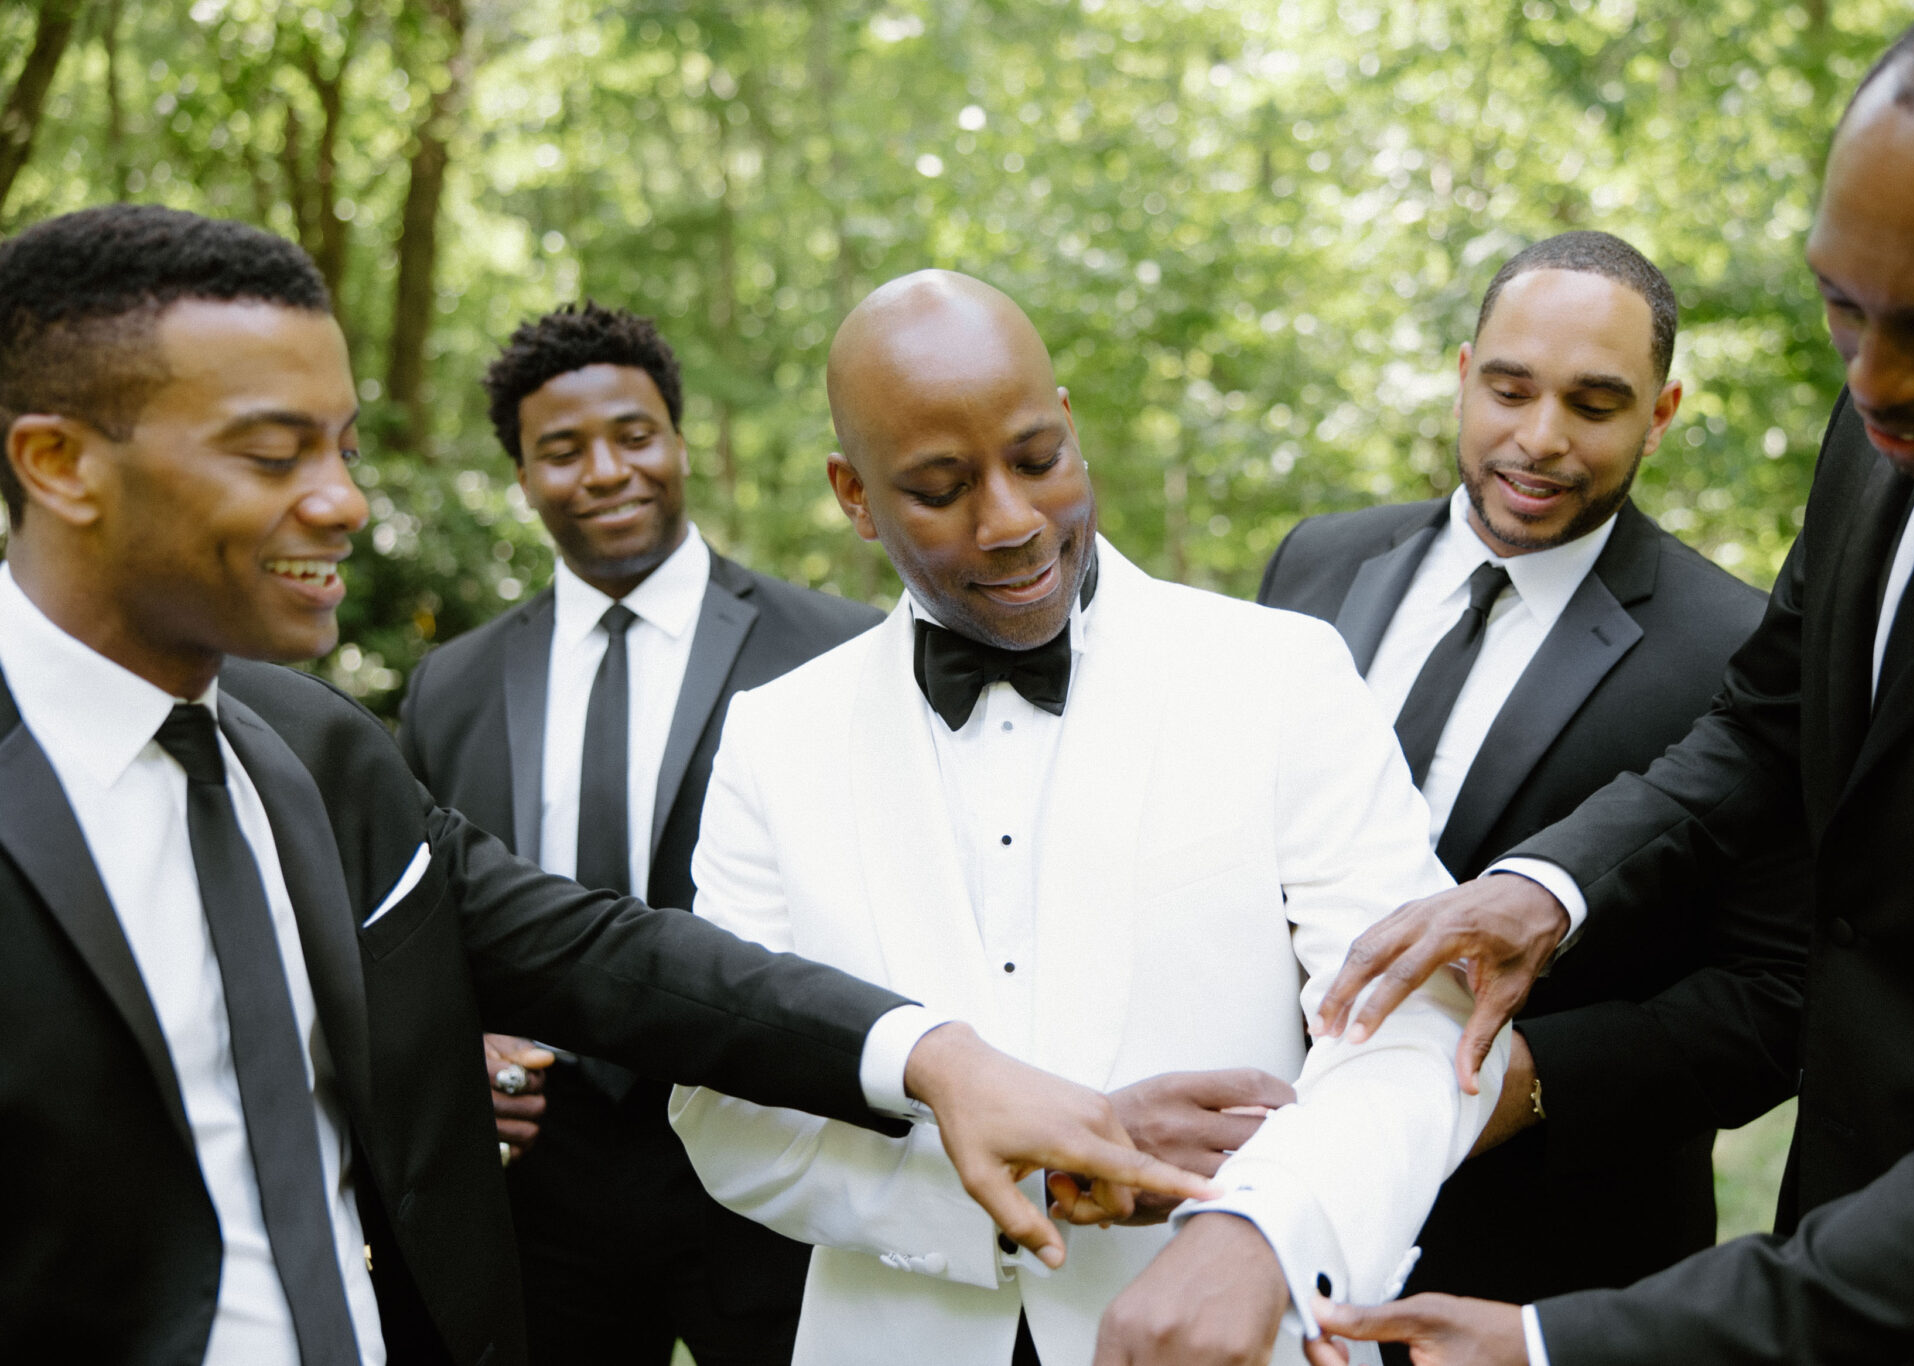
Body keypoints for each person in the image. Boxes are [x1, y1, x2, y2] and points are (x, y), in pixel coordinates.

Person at [0, 204, 1210, 1366]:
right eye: (275, 454)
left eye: (346, 448)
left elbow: (599, 954)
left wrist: (943, 1059)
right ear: (58, 463)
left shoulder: (311, 748)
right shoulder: (437, 688)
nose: (344, 502)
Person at [1306, 1, 1914, 1361]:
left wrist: (1561, 1346)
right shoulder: (1878, 424)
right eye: (1840, 304)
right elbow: (1766, 720)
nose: (1874, 382)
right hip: (1834, 1217)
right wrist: (1548, 886)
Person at [670, 268, 1506, 1366]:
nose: (1012, 521)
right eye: (939, 487)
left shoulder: (1281, 675)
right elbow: (730, 1109)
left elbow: (1416, 1025)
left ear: (1068, 423)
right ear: (853, 495)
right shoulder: (776, 740)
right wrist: (1035, 1177)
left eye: (1036, 459)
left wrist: (1259, 1225)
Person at [1258, 231, 1805, 1316]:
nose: (1538, 440)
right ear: (1464, 378)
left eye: (1594, 407)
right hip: (1261, 1217)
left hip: (1536, 1266)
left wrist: (1533, 1082)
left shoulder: (1744, 652)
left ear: (1660, 413)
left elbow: (1778, 1002)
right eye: (1508, 390)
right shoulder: (1314, 559)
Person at [398, 304, 880, 1364]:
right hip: (544, 1176)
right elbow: (418, 915)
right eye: (560, 450)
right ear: (522, 476)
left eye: (633, 433)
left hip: (774, 1146)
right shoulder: (455, 684)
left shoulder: (840, 649)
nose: (605, 469)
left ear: (678, 441)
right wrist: (455, 1044)